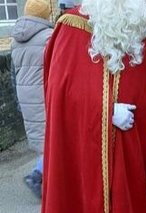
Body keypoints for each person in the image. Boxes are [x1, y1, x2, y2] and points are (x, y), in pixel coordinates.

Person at [41, 0, 146, 212]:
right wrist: (105, 113)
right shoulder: (71, 28)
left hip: (137, 156)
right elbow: (58, 96)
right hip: (85, 158)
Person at [10, 0, 53, 199]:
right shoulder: (48, 37)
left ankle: (42, 176)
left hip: (25, 95)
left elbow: (12, 73)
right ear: (45, 15)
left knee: (41, 138)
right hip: (44, 96)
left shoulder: (15, 40)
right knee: (51, 140)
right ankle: (36, 176)